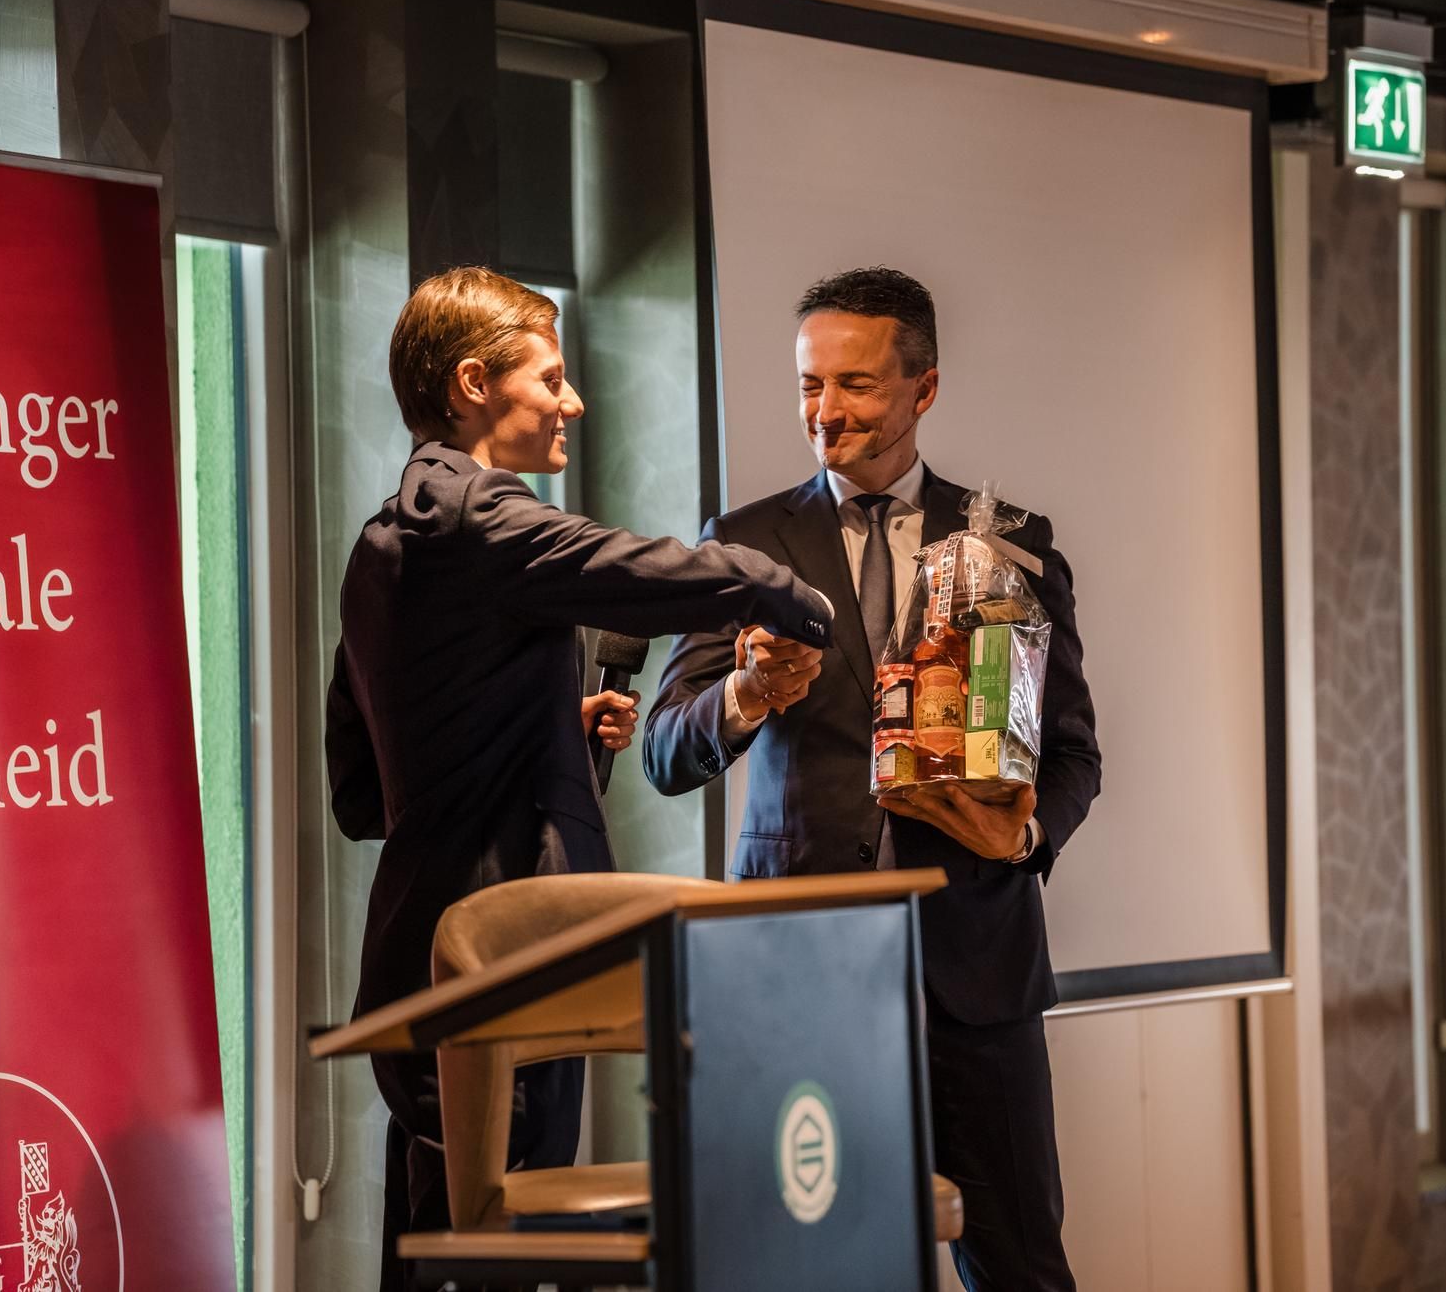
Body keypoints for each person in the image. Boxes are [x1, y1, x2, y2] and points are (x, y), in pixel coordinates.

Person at [325, 266, 832, 1291]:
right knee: (497, 1257)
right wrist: (791, 597)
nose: (573, 402)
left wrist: (552, 734)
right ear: (473, 383)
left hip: (421, 948)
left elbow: (358, 792)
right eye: (550, 378)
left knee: (434, 1243)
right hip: (502, 960)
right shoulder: (476, 513)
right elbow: (636, 571)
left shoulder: (384, 542)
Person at [643, 266, 1100, 1292]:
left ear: (923, 388)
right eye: (809, 384)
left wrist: (1022, 837)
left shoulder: (1010, 544)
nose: (825, 411)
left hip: (976, 973)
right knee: (812, 1271)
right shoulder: (744, 544)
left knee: (1021, 1268)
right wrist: (746, 695)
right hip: (797, 978)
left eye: (854, 384)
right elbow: (665, 751)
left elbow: (1073, 754)